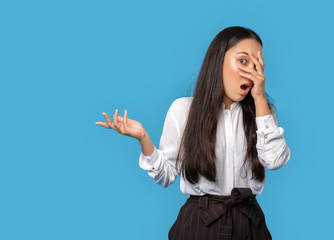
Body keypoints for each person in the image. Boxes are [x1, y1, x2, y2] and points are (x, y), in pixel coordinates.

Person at [95, 26, 291, 240]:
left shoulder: (262, 115)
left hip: (249, 222)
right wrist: (144, 138)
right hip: (200, 223)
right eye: (243, 61)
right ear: (218, 62)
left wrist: (260, 98)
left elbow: (275, 160)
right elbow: (167, 175)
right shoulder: (183, 110)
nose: (252, 72)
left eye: (257, 64)